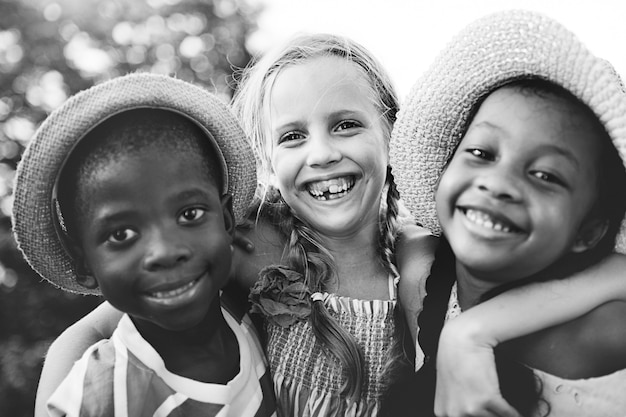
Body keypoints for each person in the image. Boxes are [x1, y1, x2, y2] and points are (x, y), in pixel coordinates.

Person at [30, 31, 626, 417]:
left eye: (346, 125)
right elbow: (81, 339)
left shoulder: (423, 259)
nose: (321, 154)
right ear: (267, 158)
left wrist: (477, 332)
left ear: (390, 132)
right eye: (293, 137)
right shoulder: (247, 245)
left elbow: (610, 273)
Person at [385, 10, 626, 416]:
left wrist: (473, 331)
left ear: (588, 229)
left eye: (545, 174)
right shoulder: (422, 274)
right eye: (481, 153)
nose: (498, 183)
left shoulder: (608, 333)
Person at [12, 73, 276, 417]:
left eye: (190, 213)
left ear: (226, 221)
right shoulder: (98, 401)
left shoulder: (250, 304)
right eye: (121, 235)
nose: (165, 251)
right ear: (84, 265)